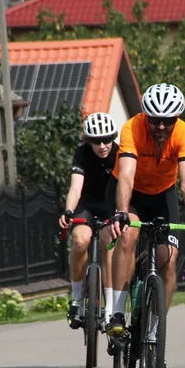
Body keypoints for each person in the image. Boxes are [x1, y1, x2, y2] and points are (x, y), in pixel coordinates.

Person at [105, 83, 185, 336]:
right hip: (129, 193)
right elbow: (127, 175)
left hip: (162, 194)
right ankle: (118, 312)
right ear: (146, 116)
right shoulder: (132, 127)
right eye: (155, 120)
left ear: (177, 118)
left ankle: (155, 328)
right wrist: (121, 212)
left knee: (169, 258)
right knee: (128, 234)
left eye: (168, 120)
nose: (161, 126)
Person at [58, 112, 119, 330]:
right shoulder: (82, 154)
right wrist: (68, 211)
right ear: (88, 141)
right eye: (96, 141)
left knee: (108, 244)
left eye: (107, 139)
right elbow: (75, 188)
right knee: (81, 241)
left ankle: (111, 307)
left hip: (111, 206)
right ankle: (76, 301)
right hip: (87, 205)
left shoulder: (121, 155)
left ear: (114, 137)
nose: (102, 145)